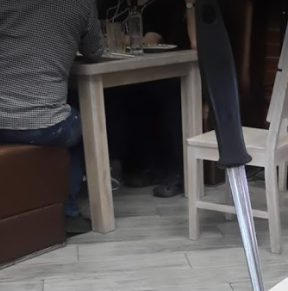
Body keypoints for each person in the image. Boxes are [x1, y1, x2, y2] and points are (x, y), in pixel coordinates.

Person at [0, 0, 104, 236]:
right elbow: (95, 52)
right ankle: (68, 212)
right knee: (82, 123)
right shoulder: (82, 4)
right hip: (46, 125)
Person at [100, 0, 196, 197]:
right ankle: (129, 167)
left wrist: (115, 37)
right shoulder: (113, 5)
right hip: (132, 71)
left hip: (176, 70)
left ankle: (178, 173)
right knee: (117, 93)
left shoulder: (163, 6)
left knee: (171, 93)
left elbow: (150, 41)